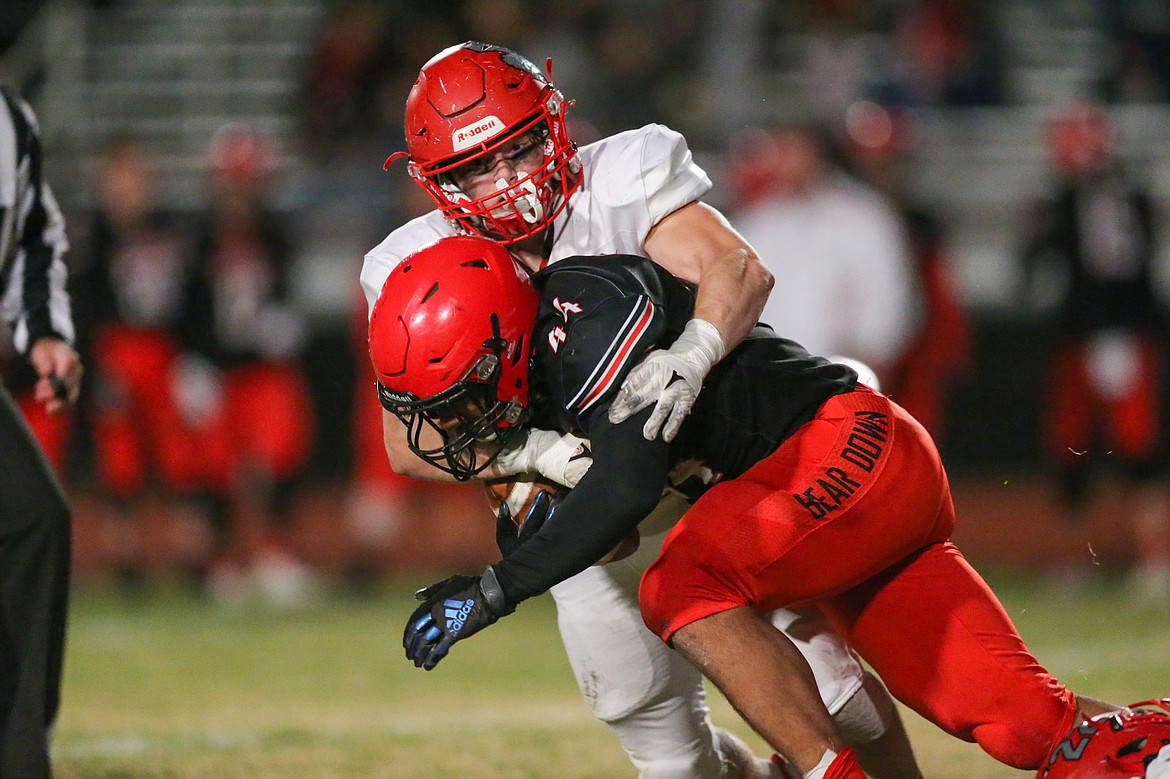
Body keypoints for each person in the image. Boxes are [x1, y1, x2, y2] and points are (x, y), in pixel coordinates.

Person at [362, 42, 923, 779]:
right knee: (671, 760)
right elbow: (409, 445)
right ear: (436, 181)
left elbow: (738, 267)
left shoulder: (620, 178)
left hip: (708, 480)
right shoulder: (410, 264)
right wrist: (534, 455)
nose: (507, 182)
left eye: (519, 148)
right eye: (477, 166)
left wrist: (692, 352)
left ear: (555, 124)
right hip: (583, 529)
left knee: (837, 691)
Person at [372, 234, 1121, 779]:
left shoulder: (593, 312)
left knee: (682, 586)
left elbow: (625, 493)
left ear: (504, 340)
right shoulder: (538, 353)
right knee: (1027, 725)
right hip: (833, 493)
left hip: (845, 449)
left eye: (461, 392)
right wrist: (536, 462)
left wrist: (493, 591)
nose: (452, 419)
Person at [1020, 100, 1169, 599]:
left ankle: (1148, 556)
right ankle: (1091, 560)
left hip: (1107, 331)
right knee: (1079, 450)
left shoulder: (1102, 197)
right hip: (1094, 332)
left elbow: (1108, 263)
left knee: (1130, 446)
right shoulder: (1099, 196)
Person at [0, 85, 82, 779]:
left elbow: (31, 233)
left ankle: (18, 755)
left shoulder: (11, 120)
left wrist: (45, 333)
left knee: (34, 517)